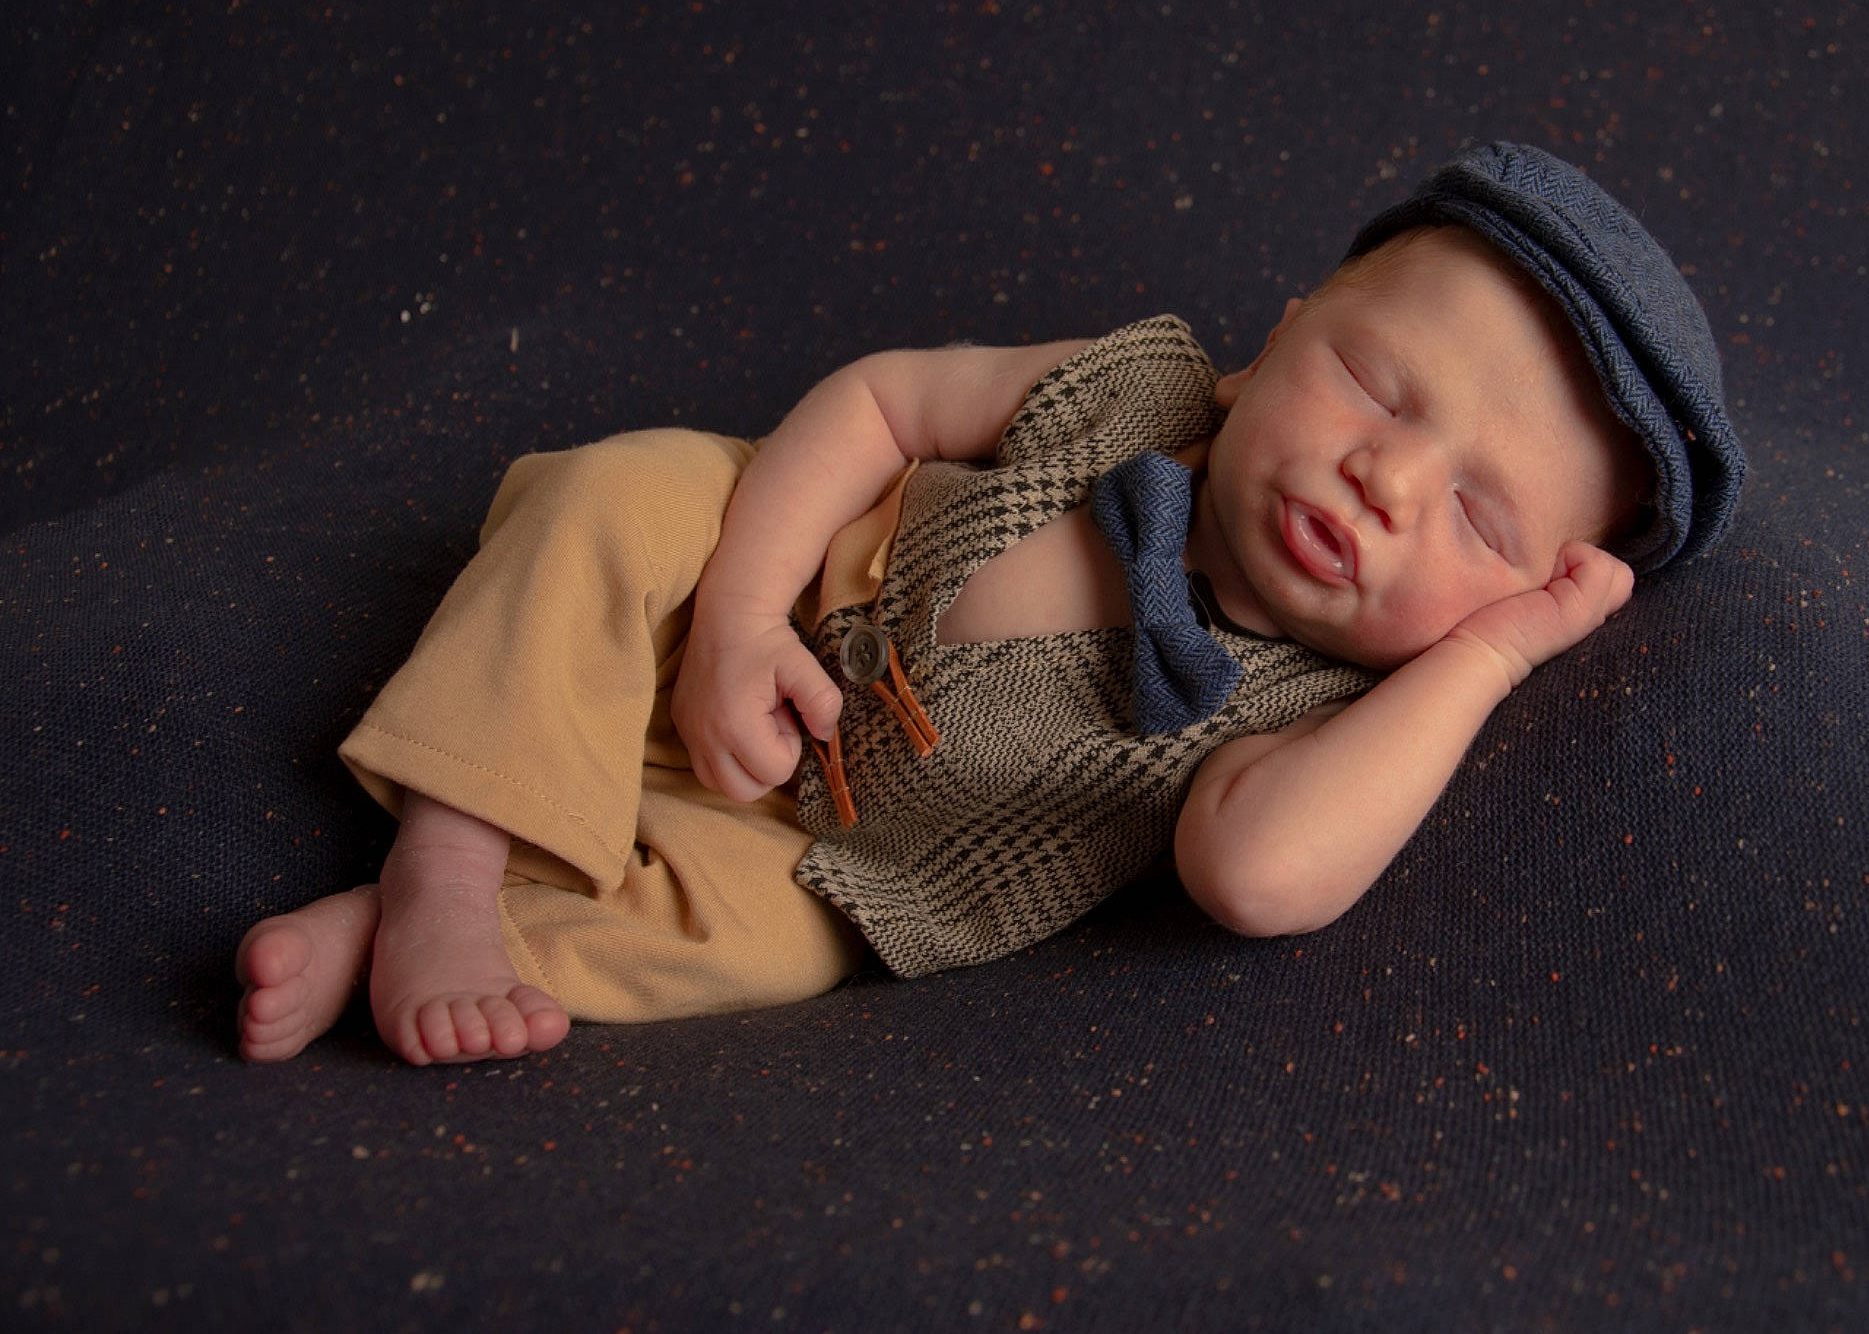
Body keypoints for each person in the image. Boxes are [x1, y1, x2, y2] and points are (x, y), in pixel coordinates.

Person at [235, 142, 1745, 1067]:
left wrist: (1487, 659)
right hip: (756, 581)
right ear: (1278, 340)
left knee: (741, 942)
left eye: (1479, 518)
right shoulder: (1139, 387)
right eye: (1370, 380)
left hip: (832, 849)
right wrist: (746, 611)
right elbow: (887, 403)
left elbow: (1262, 877)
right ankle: (451, 852)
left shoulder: (1316, 719)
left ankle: (420, 932)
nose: (1388, 479)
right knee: (611, 501)